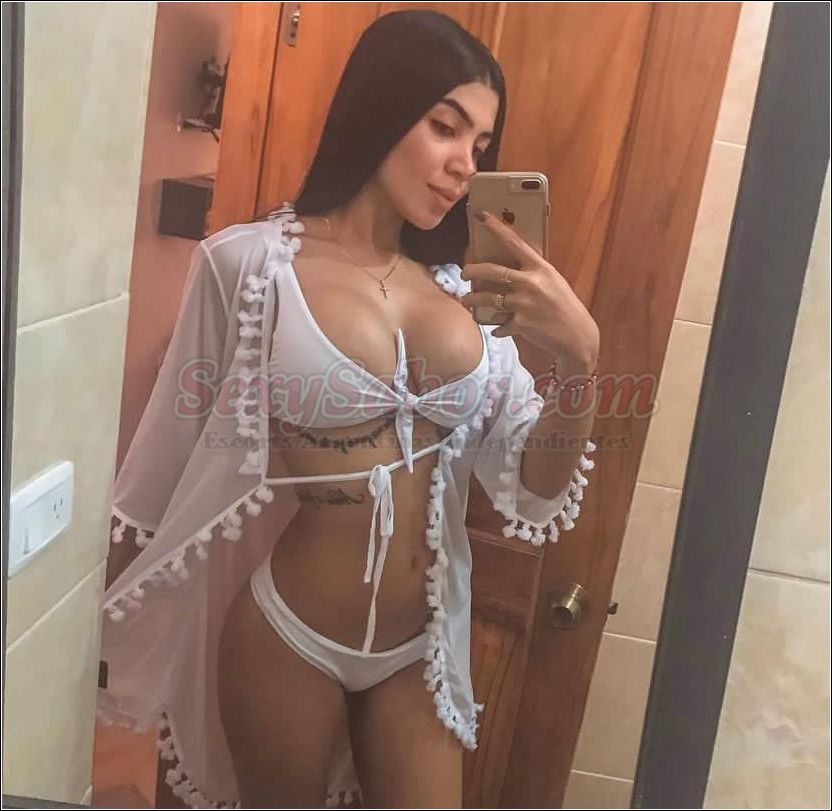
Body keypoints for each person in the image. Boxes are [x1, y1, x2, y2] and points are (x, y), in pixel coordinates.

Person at [98, 9, 599, 809]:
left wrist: (580, 358)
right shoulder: (248, 265)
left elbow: (536, 487)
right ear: (381, 106)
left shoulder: (467, 297)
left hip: (419, 647)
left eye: (480, 146)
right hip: (287, 633)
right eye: (445, 127)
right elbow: (166, 461)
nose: (464, 165)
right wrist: (94, 627)